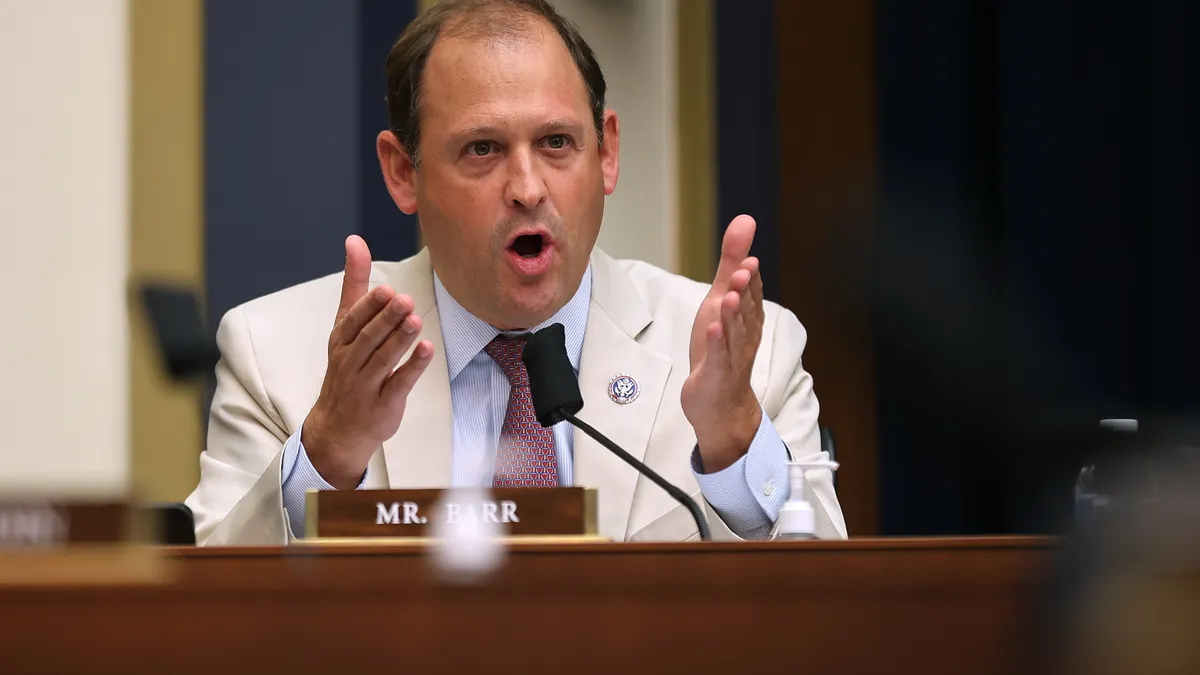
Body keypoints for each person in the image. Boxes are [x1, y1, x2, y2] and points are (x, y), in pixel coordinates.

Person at [184, 0, 847, 545]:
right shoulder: (275, 353)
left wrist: (733, 438)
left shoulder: (742, 357)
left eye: (557, 143)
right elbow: (209, 615)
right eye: (483, 149)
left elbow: (831, 613)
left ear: (607, 153)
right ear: (402, 171)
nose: (528, 187)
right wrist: (328, 450)